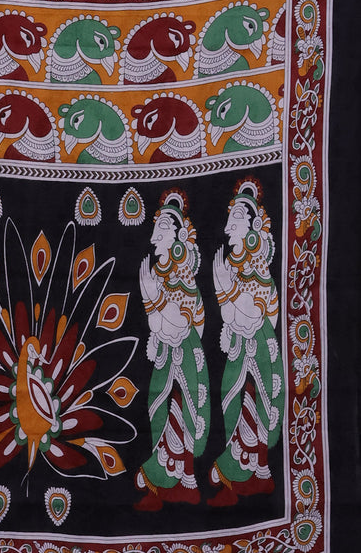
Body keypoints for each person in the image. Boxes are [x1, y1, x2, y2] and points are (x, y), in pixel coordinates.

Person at [209, 177, 284, 506]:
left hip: (259, 348)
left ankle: (258, 474)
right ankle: (240, 475)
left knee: (256, 401)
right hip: (240, 347)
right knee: (231, 398)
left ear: (253, 228)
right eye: (230, 219)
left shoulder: (256, 268)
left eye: (236, 219)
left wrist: (225, 290)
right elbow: (232, 315)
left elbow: (256, 311)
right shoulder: (233, 266)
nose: (228, 227)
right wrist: (224, 293)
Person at [135, 190, 209, 510]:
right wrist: (151, 301)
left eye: (161, 230)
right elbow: (158, 322)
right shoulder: (158, 273)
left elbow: (182, 321)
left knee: (182, 409)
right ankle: (164, 483)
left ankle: (185, 481)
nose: (154, 237)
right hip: (166, 351)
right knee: (159, 408)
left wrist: (152, 298)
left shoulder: (181, 274)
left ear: (176, 237)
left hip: (184, 353)